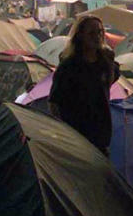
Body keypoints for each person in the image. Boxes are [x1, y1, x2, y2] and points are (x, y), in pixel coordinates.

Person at [49, 15, 119, 155]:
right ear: (80, 35)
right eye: (91, 33)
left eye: (100, 32)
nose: (97, 36)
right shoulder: (69, 67)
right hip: (76, 138)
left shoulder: (105, 63)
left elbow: (108, 85)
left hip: (101, 136)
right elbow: (54, 102)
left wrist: (110, 64)